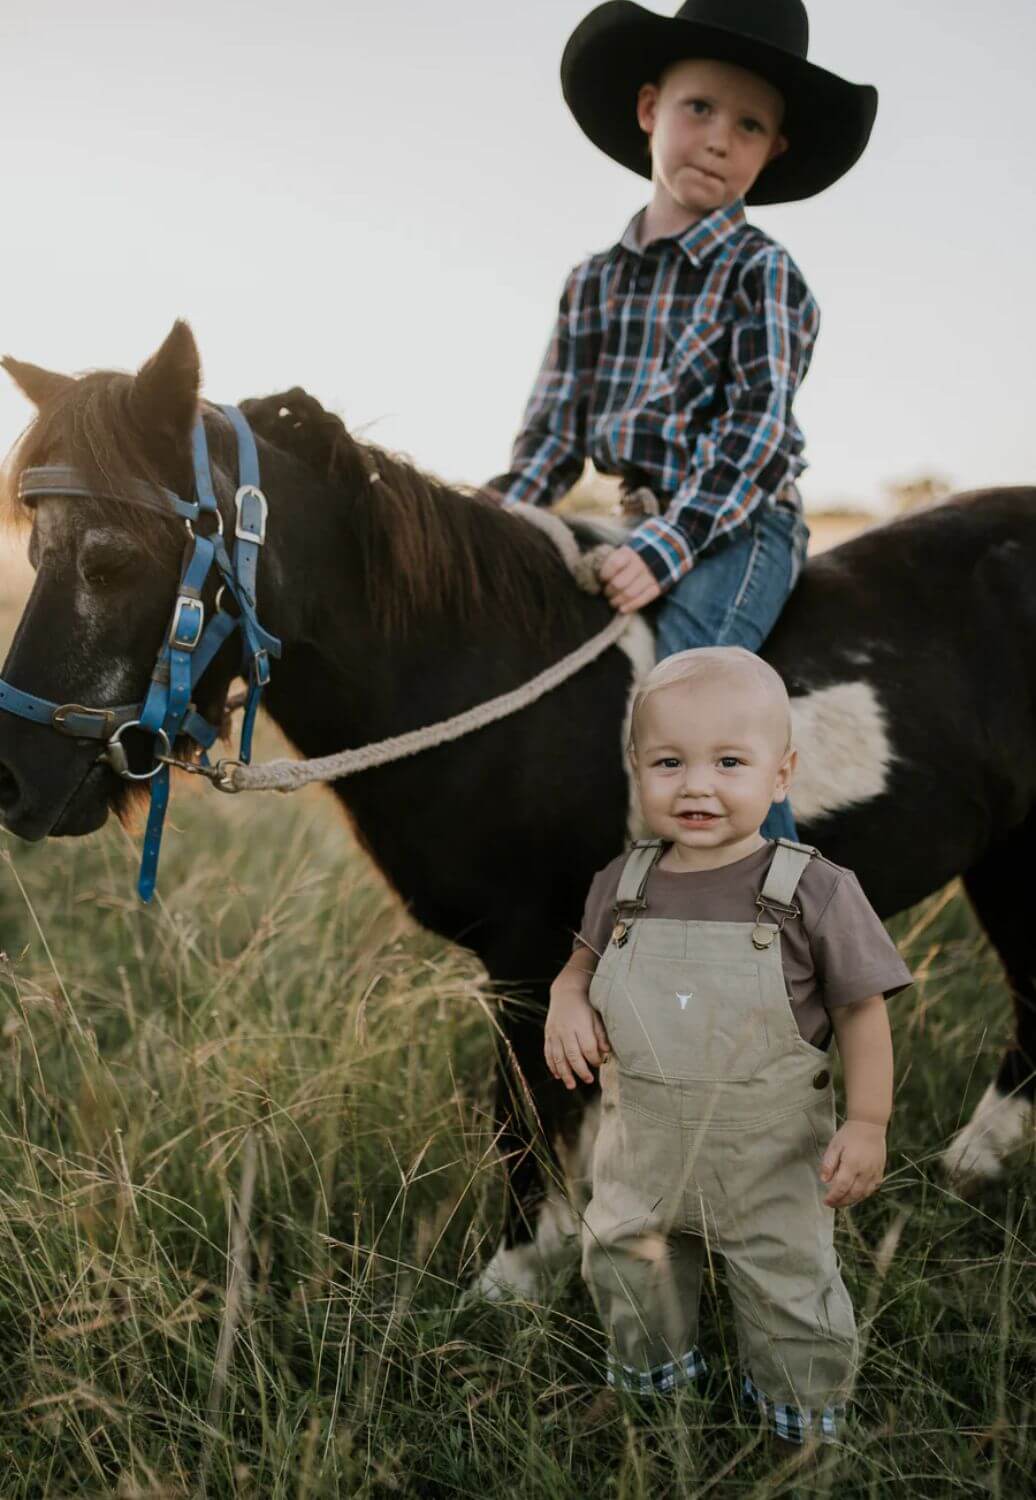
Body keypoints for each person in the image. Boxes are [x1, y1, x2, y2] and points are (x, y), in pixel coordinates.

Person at [485, 0, 877, 840]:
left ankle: (772, 904)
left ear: (772, 152)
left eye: (749, 124)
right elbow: (552, 437)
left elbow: (756, 437)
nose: (718, 137)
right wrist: (490, 526)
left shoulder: (763, 273)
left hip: (740, 527)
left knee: (692, 699)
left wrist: (667, 548)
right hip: (636, 517)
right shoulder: (592, 282)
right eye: (699, 107)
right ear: (649, 109)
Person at [543, 647, 911, 1449]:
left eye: (730, 762)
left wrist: (870, 1121)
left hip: (770, 1162)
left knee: (790, 1295)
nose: (697, 785)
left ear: (781, 776)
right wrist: (566, 996)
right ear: (636, 766)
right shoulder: (623, 881)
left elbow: (861, 1011)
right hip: (641, 1154)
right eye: (669, 762)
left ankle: (798, 1429)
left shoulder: (813, 889)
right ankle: (654, 1399)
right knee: (627, 1273)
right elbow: (583, 961)